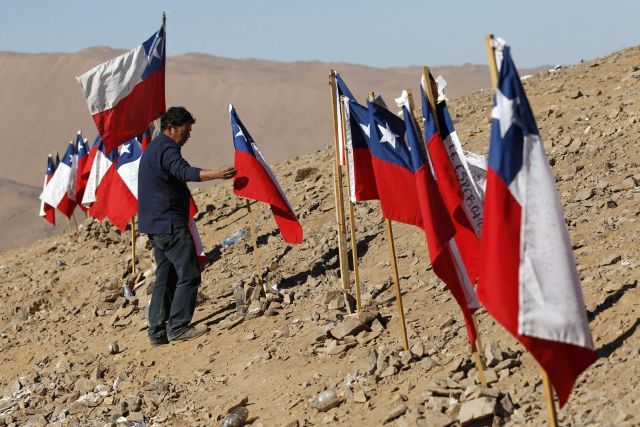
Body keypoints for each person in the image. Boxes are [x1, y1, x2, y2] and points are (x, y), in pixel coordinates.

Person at [138, 106, 236, 345]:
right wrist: (216, 174)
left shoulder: (155, 147)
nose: (188, 136)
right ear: (171, 129)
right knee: (189, 273)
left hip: (157, 224)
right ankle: (178, 327)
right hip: (170, 223)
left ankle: (157, 331)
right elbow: (183, 171)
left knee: (166, 275)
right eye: (186, 131)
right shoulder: (167, 148)